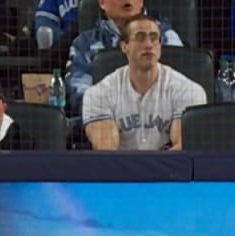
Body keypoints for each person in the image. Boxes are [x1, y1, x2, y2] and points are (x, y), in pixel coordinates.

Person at [82, 15, 206, 151]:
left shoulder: (188, 90)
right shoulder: (99, 94)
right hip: (119, 170)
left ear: (159, 45)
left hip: (168, 170)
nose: (148, 44)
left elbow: (182, 151)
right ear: (124, 46)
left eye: (154, 38)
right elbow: (107, 153)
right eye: (140, 37)